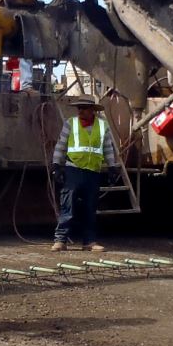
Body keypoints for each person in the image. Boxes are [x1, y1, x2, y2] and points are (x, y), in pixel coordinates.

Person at [50, 95, 120, 253]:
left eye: (83, 108)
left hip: (93, 172)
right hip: (73, 169)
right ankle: (60, 240)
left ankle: (89, 242)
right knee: (68, 205)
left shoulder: (103, 126)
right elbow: (61, 145)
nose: (80, 110)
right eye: (79, 108)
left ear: (92, 110)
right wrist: (56, 165)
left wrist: (112, 167)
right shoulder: (71, 123)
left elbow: (108, 148)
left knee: (90, 207)